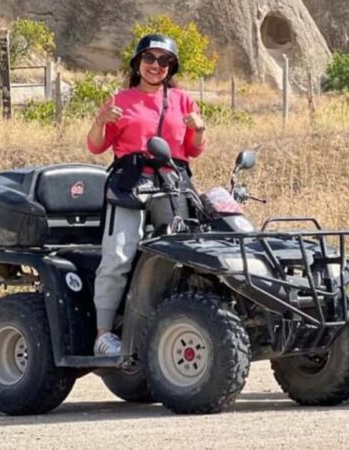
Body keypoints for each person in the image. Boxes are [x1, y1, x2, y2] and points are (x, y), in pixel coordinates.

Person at [86, 34, 207, 356]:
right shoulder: (120, 100)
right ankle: (103, 333)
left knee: (181, 255)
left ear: (171, 67)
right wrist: (100, 121)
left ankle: (170, 326)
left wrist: (200, 128)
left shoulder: (183, 100)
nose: (156, 66)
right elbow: (96, 145)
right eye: (149, 59)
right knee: (119, 255)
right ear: (137, 63)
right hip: (130, 183)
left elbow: (193, 150)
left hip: (172, 183)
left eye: (164, 60)